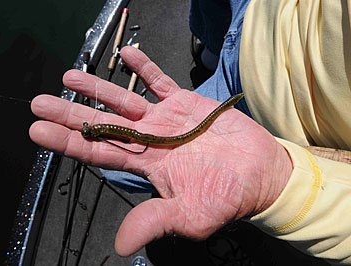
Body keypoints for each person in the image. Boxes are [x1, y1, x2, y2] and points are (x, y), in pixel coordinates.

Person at [29, 0, 351, 264]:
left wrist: (283, 185)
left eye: (93, 129)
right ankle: (213, 51)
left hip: (271, 112)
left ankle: (217, 67)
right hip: (265, 14)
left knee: (116, 172)